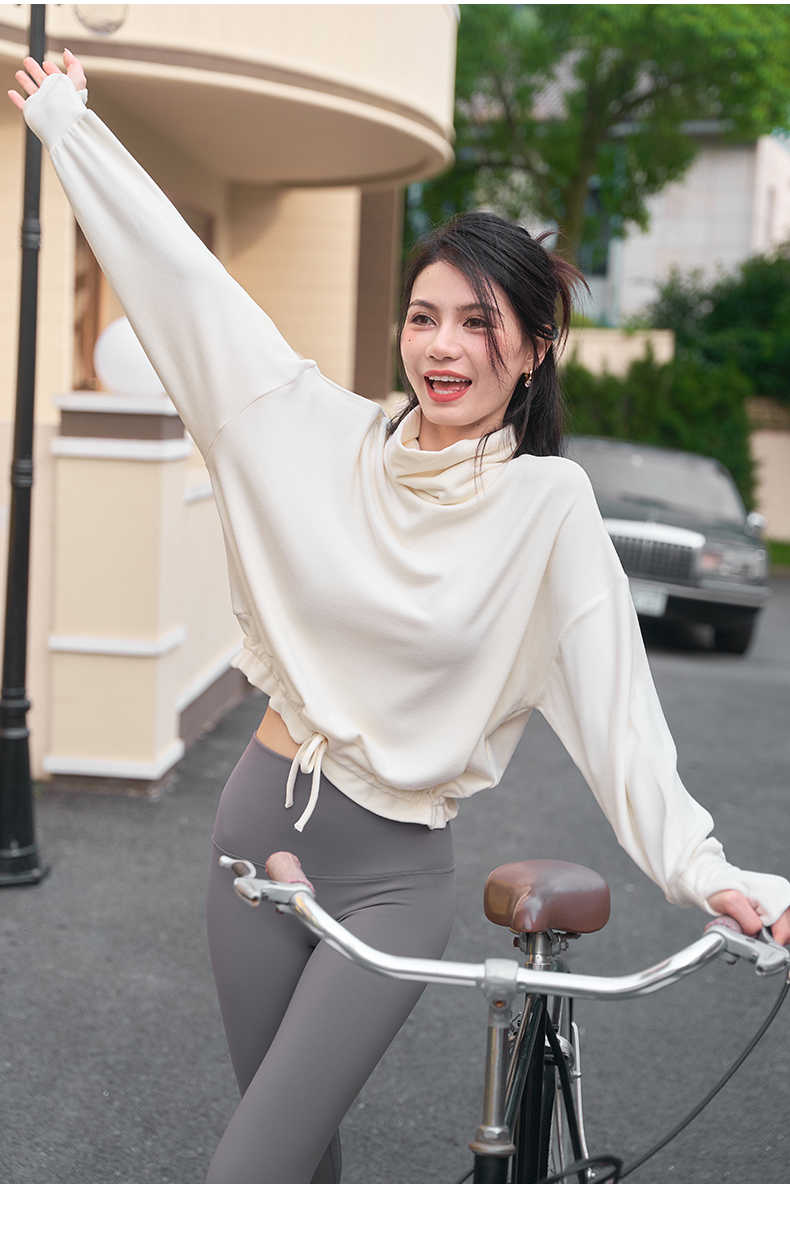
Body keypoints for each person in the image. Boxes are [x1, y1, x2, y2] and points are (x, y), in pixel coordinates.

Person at [10, 52, 790, 1185]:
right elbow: (185, 287)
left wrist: (703, 870)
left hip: (392, 876)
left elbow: (621, 716)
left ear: (533, 349)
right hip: (252, 835)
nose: (443, 347)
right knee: (298, 1163)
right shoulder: (311, 432)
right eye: (424, 317)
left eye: (479, 323)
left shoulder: (547, 507)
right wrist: (72, 132)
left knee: (242, 1180)